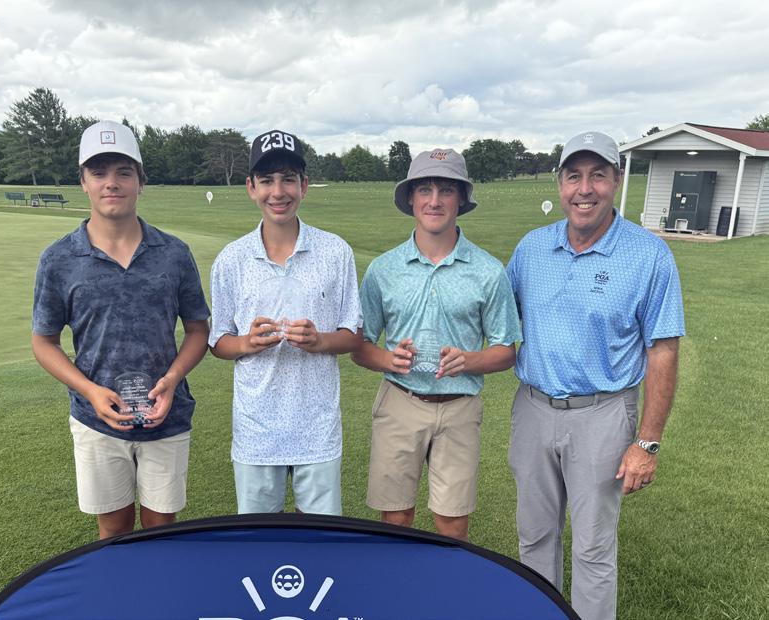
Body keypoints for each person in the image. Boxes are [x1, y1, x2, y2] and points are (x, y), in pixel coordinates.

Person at [506, 131, 685, 620]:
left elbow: (663, 351)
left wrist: (647, 444)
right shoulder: (532, 248)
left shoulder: (648, 255)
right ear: (560, 184)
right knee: (534, 536)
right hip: (533, 407)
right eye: (574, 176)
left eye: (598, 176)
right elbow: (496, 319)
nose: (584, 189)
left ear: (617, 181)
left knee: (592, 546)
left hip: (603, 414)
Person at [31, 120, 210, 539]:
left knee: (160, 529)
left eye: (123, 172)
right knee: (113, 530)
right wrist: (90, 391)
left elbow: (198, 331)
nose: (111, 183)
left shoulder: (173, 253)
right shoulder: (59, 259)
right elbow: (44, 342)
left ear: (140, 181)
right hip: (96, 418)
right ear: (83, 182)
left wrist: (172, 379)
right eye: (99, 172)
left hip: (166, 415)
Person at [352, 149, 521, 540]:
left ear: (461, 199)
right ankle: (398, 579)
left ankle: (446, 582)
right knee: (396, 517)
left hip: (460, 406)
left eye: (446, 190)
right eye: (425, 189)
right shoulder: (383, 269)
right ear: (411, 198)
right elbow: (359, 345)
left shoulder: (488, 271)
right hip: (400, 400)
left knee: (452, 521)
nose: (435, 200)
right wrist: (388, 360)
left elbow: (505, 351)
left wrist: (469, 360)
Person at [209, 129, 362, 515]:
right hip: (256, 429)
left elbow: (353, 334)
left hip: (317, 427)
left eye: (288, 179)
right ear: (251, 187)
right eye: (267, 180)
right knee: (259, 539)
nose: (278, 192)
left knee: (322, 540)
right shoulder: (231, 259)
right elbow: (219, 341)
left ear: (303, 185)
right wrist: (246, 343)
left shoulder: (335, 251)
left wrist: (320, 341)